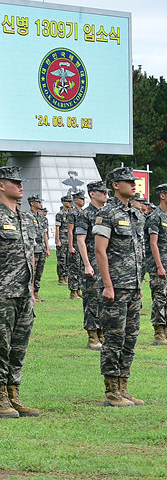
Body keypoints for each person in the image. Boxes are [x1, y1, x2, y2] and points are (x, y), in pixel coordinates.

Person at [0, 166, 40, 419]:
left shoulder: (27, 218)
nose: (20, 186)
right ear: (1, 186)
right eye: (14, 182)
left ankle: (14, 394)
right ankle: (0, 398)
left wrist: (33, 290)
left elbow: (32, 258)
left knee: (19, 348)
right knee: (0, 347)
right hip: (3, 294)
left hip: (24, 294)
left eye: (20, 182)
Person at [94, 167, 145, 407]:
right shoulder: (107, 213)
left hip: (132, 286)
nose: (133, 185)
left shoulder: (136, 214)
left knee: (130, 338)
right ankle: (111, 392)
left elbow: (138, 252)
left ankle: (124, 388)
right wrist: (107, 284)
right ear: (115, 185)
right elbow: (99, 250)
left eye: (133, 181)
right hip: (115, 287)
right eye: (128, 181)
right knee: (113, 339)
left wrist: (138, 284)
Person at [75, 181, 108, 350]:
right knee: (91, 300)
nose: (105, 194)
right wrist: (87, 264)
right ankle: (92, 335)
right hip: (92, 263)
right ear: (92, 194)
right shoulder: (85, 214)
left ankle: (102, 332)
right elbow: (80, 240)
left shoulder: (108, 213)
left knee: (105, 300)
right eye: (101, 192)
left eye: (106, 191)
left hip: (106, 264)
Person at [146, 183, 167, 346]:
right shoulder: (155, 216)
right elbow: (153, 243)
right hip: (159, 265)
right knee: (160, 298)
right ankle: (159, 332)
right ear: (163, 195)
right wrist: (159, 266)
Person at [28, 195, 50, 302]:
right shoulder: (27, 216)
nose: (40, 203)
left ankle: (36, 293)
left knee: (39, 272)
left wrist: (47, 248)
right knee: (32, 271)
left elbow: (45, 233)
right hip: (33, 249)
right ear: (32, 203)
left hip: (41, 249)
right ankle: (30, 293)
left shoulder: (42, 218)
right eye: (38, 202)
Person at [66, 191, 86, 299]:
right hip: (74, 244)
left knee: (80, 268)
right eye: (81, 199)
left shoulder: (83, 213)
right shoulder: (72, 213)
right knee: (74, 268)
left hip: (82, 244)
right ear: (76, 200)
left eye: (84, 199)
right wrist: (70, 246)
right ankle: (73, 291)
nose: (83, 201)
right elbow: (70, 231)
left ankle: (78, 289)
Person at [55, 195, 73, 285]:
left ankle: (66, 276)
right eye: (68, 202)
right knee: (61, 259)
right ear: (63, 202)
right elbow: (57, 227)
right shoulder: (60, 214)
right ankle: (61, 278)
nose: (70, 203)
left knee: (68, 259)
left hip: (68, 240)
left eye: (70, 202)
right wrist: (58, 240)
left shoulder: (70, 213)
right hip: (62, 239)